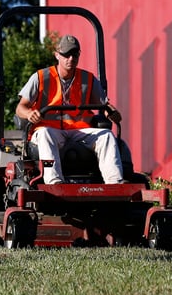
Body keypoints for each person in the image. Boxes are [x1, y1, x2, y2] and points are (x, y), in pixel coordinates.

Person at [15, 34, 125, 184]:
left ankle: (116, 184)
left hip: (79, 132)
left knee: (106, 135)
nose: (71, 59)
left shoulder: (88, 79)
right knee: (45, 134)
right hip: (49, 132)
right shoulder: (41, 77)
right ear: (57, 55)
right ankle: (55, 183)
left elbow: (104, 105)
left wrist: (111, 112)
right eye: (66, 55)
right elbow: (20, 107)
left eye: (74, 54)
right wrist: (29, 113)